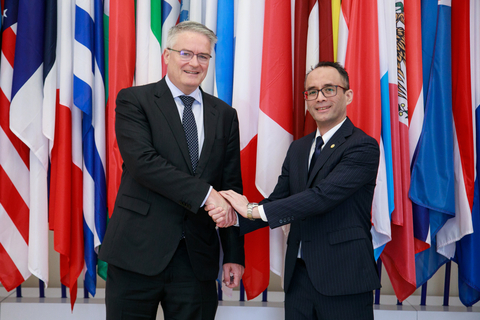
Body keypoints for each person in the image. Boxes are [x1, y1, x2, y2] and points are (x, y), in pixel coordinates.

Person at [211, 61, 381, 320]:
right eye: (312, 91)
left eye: (329, 89)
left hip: (343, 277)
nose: (319, 97)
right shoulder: (299, 148)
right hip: (298, 278)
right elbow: (279, 200)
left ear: (348, 95)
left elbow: (321, 197)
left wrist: (252, 210)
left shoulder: (362, 146)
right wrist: (232, 217)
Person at [99, 21, 245, 320]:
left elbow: (231, 186)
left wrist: (233, 255)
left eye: (203, 56)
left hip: (196, 259)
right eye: (186, 53)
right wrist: (206, 195)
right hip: (136, 253)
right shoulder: (134, 100)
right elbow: (144, 163)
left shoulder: (225, 115)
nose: (195, 62)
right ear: (167, 55)